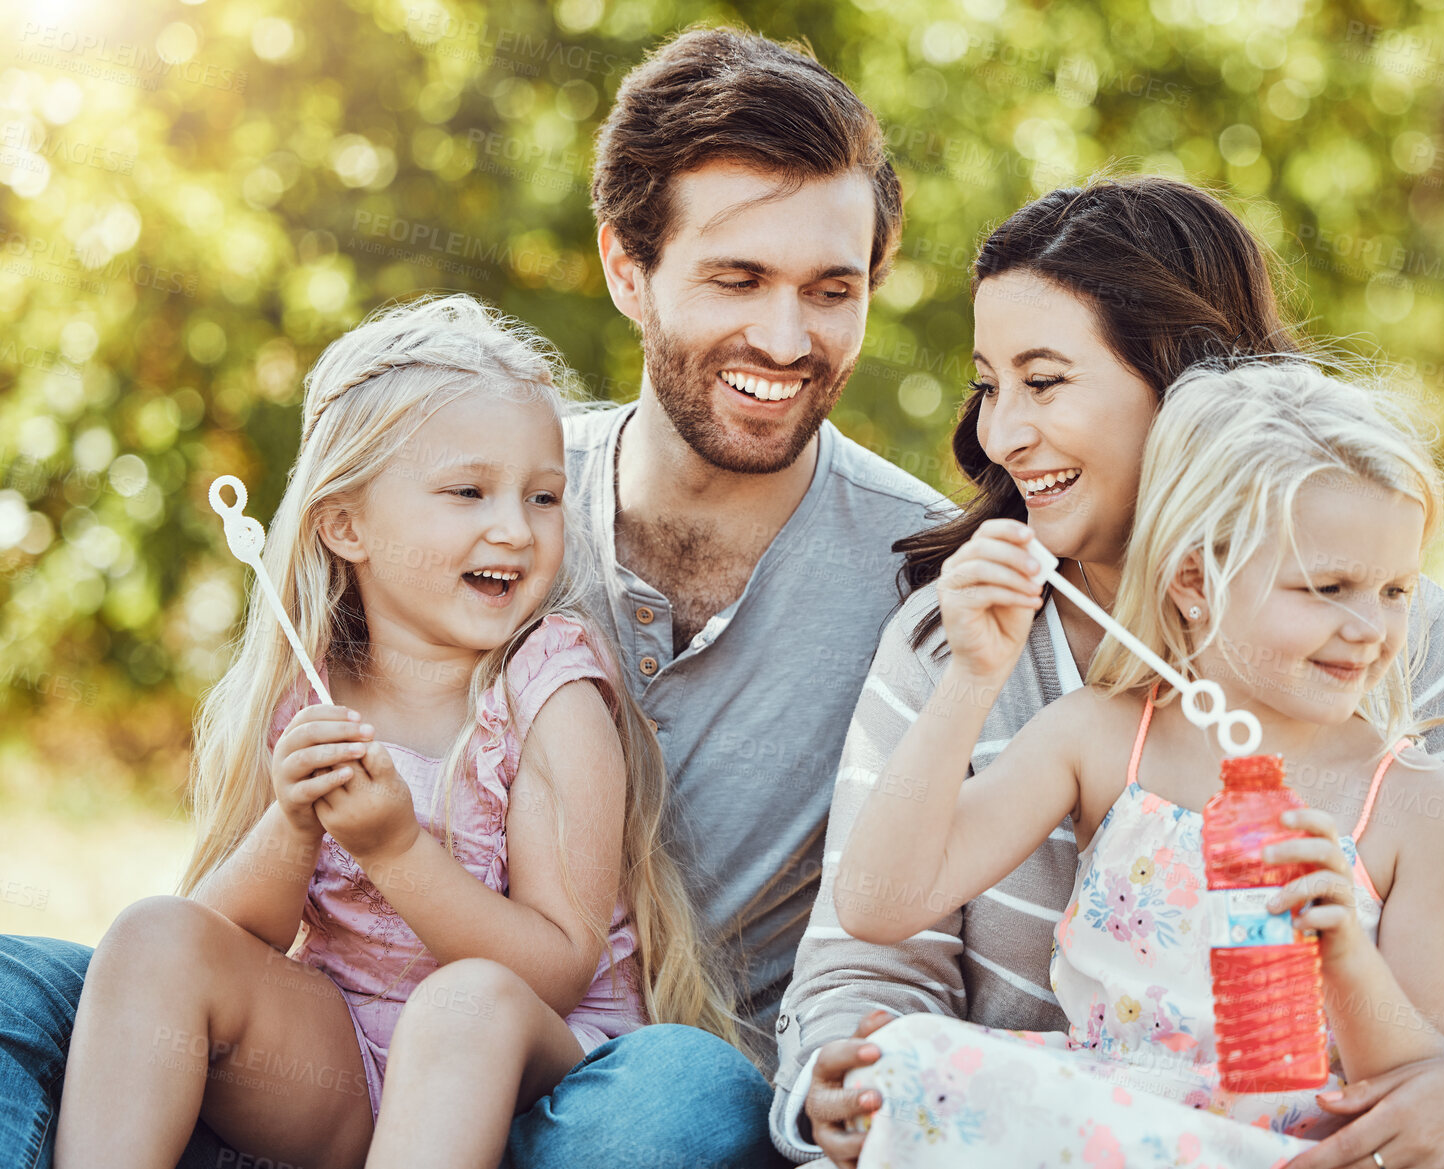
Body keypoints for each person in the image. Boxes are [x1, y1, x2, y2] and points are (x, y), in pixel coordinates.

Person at [0, 27, 940, 1169]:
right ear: (624, 269)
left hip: (600, 1092)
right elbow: (225, 920)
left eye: (830, 289)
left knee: (677, 1096)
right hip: (340, 1054)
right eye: (736, 278)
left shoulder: (918, 566)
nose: (785, 338)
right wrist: (297, 819)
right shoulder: (494, 484)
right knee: (42, 979)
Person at [773, 177, 1444, 1169]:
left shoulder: (1391, 644)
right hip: (1096, 1124)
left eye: (1044, 382)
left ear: (1178, 387)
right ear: (1192, 583)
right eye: (989, 386)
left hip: (1316, 1133)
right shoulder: (1021, 674)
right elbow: (869, 927)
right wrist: (841, 1065)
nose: (998, 434)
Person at [51, 295, 745, 1168]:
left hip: (541, 1078)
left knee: (461, 1006)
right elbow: (232, 936)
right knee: (154, 934)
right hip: (346, 1059)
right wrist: (295, 824)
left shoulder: (548, 692)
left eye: (542, 496)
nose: (514, 527)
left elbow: (557, 965)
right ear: (346, 525)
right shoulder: (312, 693)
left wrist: (391, 848)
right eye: (468, 491)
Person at [835, 357, 1444, 1164]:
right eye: (1327, 587)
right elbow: (876, 902)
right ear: (1194, 581)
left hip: (1289, 1151)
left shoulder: (1415, 805)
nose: (1371, 628)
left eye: (1395, 590)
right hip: (1106, 1128)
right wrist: (972, 678)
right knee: (908, 1055)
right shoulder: (1101, 737)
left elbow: (1429, 1090)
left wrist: (1343, 955)